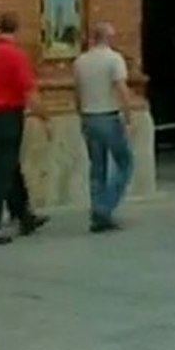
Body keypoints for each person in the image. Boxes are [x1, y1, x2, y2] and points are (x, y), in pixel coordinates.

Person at [0, 13, 51, 247]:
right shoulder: (15, 55)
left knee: (10, 167)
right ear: (17, 30)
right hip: (7, 116)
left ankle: (23, 215)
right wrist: (45, 117)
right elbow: (29, 91)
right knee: (0, 175)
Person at [73, 22, 134, 233]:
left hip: (88, 117)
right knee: (125, 162)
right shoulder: (114, 59)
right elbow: (121, 88)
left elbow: (77, 92)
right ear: (108, 38)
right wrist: (128, 115)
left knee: (97, 167)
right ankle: (104, 208)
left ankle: (97, 209)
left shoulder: (80, 61)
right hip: (108, 116)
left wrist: (81, 113)